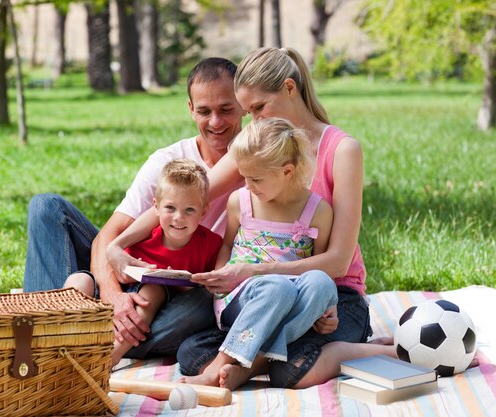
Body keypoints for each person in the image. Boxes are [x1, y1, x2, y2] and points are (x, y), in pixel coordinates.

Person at [105, 46, 396, 389]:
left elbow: (336, 262)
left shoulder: (342, 149)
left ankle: (258, 357)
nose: (254, 120)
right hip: (262, 293)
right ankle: (253, 355)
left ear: (290, 89)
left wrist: (253, 270)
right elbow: (191, 199)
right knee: (191, 355)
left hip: (328, 296)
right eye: (248, 111)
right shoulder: (254, 144)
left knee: (293, 370)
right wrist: (119, 244)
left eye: (259, 108)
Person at [23, 57, 246, 359]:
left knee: (203, 305)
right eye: (205, 111)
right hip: (133, 271)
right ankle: (40, 332)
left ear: (244, 104)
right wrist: (114, 295)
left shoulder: (256, 167)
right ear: (191, 109)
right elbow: (109, 237)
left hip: (179, 293)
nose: (216, 122)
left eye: (226, 109)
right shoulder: (167, 161)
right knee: (46, 207)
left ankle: (94, 337)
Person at [177, 117, 338, 389]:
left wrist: (327, 307)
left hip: (290, 302)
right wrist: (219, 277)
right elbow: (227, 246)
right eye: (244, 177)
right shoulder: (240, 202)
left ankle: (251, 365)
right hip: (243, 298)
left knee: (322, 283)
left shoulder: (318, 211)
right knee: (276, 288)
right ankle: (218, 366)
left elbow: (316, 269)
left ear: (287, 172)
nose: (247, 185)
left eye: (255, 179)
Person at [64, 159, 222, 365]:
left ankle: (110, 357)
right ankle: (64, 341)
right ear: (156, 207)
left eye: (189, 210)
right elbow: (114, 260)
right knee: (79, 280)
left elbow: (206, 289)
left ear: (203, 211)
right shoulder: (145, 234)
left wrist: (186, 285)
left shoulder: (211, 244)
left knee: (154, 289)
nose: (178, 218)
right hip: (113, 298)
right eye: (170, 208)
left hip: (152, 309)